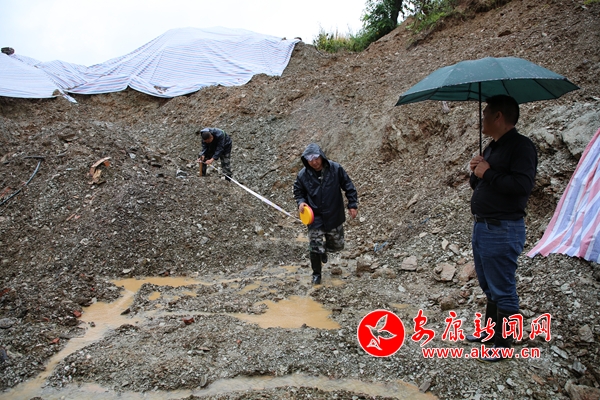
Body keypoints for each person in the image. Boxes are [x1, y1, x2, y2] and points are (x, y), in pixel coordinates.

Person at [467, 95, 538, 362]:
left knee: (503, 288)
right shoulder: (492, 147)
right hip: (483, 227)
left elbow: (522, 187)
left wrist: (488, 173)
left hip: (502, 228)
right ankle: (490, 334)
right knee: (489, 285)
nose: (482, 118)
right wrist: (476, 172)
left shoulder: (521, 147)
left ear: (498, 117)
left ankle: (503, 345)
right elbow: (480, 185)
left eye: (486, 114)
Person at [293, 143, 358, 285]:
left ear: (322, 156)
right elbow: (298, 192)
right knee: (314, 247)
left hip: (334, 213)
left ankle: (324, 250)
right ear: (306, 160)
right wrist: (301, 202)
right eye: (310, 160)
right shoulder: (303, 175)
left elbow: (348, 185)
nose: (314, 162)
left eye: (316, 158)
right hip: (314, 216)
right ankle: (316, 274)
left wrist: (352, 204)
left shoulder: (336, 169)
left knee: (338, 245)